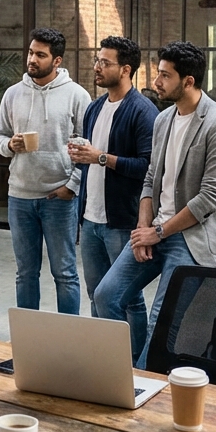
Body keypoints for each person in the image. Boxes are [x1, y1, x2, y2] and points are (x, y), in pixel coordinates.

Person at [93, 41, 216, 363]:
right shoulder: (164, 120)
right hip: (158, 228)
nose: (156, 82)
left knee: (161, 319)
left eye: (165, 75)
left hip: (193, 235)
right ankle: (120, 371)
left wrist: (159, 233)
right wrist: (144, 228)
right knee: (106, 296)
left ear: (188, 81)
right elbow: (150, 180)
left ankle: (142, 389)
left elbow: (210, 198)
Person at [66, 36, 157, 354]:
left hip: (122, 221)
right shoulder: (94, 108)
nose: (97, 67)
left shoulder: (143, 111)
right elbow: (92, 158)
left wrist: (101, 157)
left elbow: (148, 167)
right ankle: (103, 357)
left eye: (105, 62)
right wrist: (81, 156)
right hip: (90, 220)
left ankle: (135, 364)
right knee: (97, 294)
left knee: (128, 297)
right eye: (97, 60)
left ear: (126, 69)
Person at [0, 28, 91, 315]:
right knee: (25, 273)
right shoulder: (13, 94)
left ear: (57, 60)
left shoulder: (77, 95)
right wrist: (9, 144)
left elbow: (88, 146)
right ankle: (29, 340)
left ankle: (67, 339)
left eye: (40, 55)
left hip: (58, 198)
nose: (32, 59)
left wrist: (72, 185)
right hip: (20, 196)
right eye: (31, 52)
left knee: (65, 273)